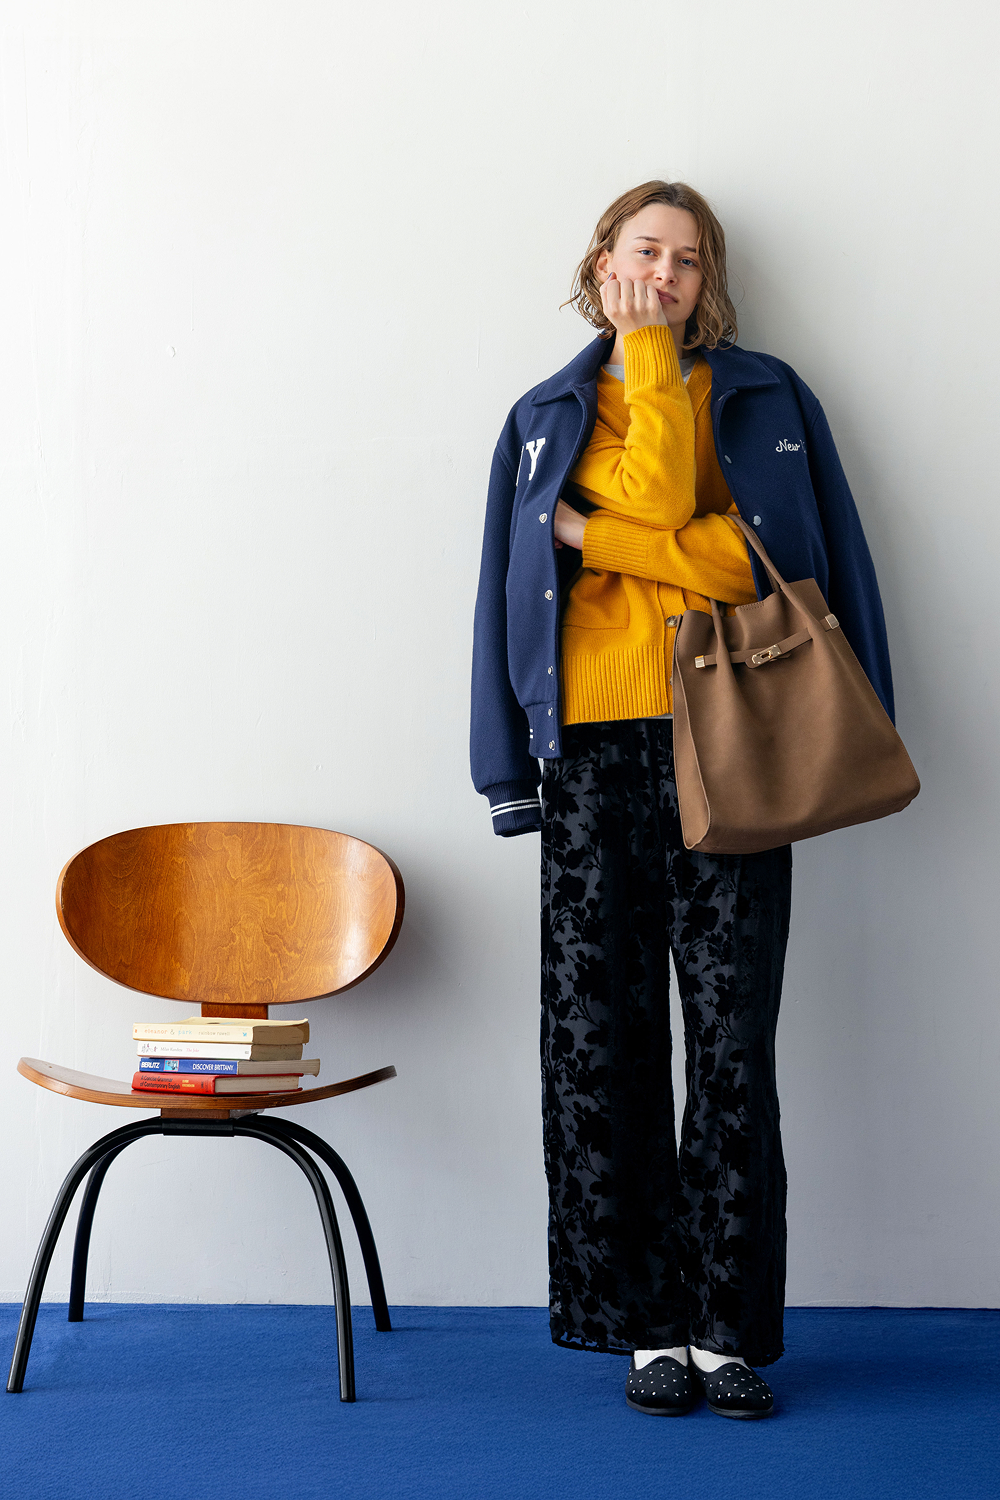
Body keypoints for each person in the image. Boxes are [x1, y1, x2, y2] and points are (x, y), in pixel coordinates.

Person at [470, 180, 894, 1420]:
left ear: (708, 283)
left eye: (688, 261)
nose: (663, 274)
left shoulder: (760, 396)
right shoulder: (543, 415)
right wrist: (504, 764)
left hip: (736, 741)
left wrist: (593, 535)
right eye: (645, 251)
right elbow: (506, 592)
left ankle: (724, 1331)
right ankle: (643, 1328)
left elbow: (764, 562)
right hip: (588, 752)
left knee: (730, 1044)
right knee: (595, 1046)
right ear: (601, 256)